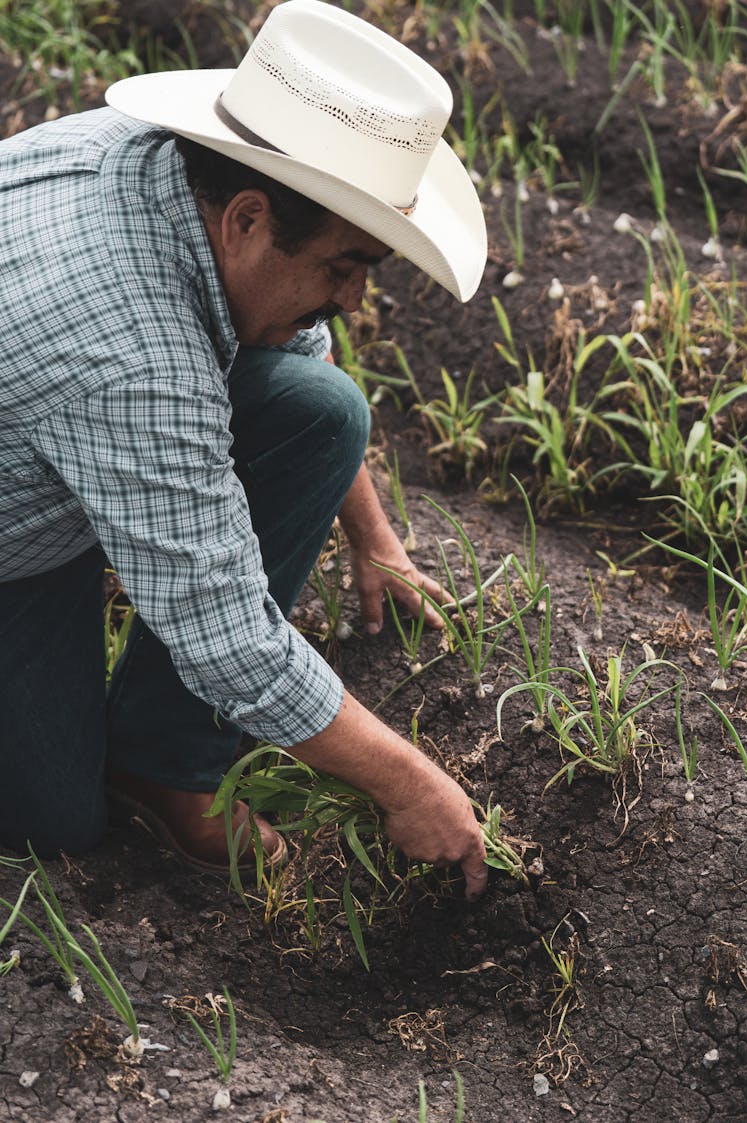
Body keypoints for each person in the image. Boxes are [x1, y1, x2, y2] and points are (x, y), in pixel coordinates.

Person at [0, 0, 489, 900]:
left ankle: (165, 762)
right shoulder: (132, 356)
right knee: (54, 821)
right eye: (343, 266)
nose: (351, 295)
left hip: (45, 443)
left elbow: (290, 338)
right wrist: (410, 785)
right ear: (248, 220)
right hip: (14, 532)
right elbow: (229, 639)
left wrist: (374, 538)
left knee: (322, 410)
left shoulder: (178, 171)